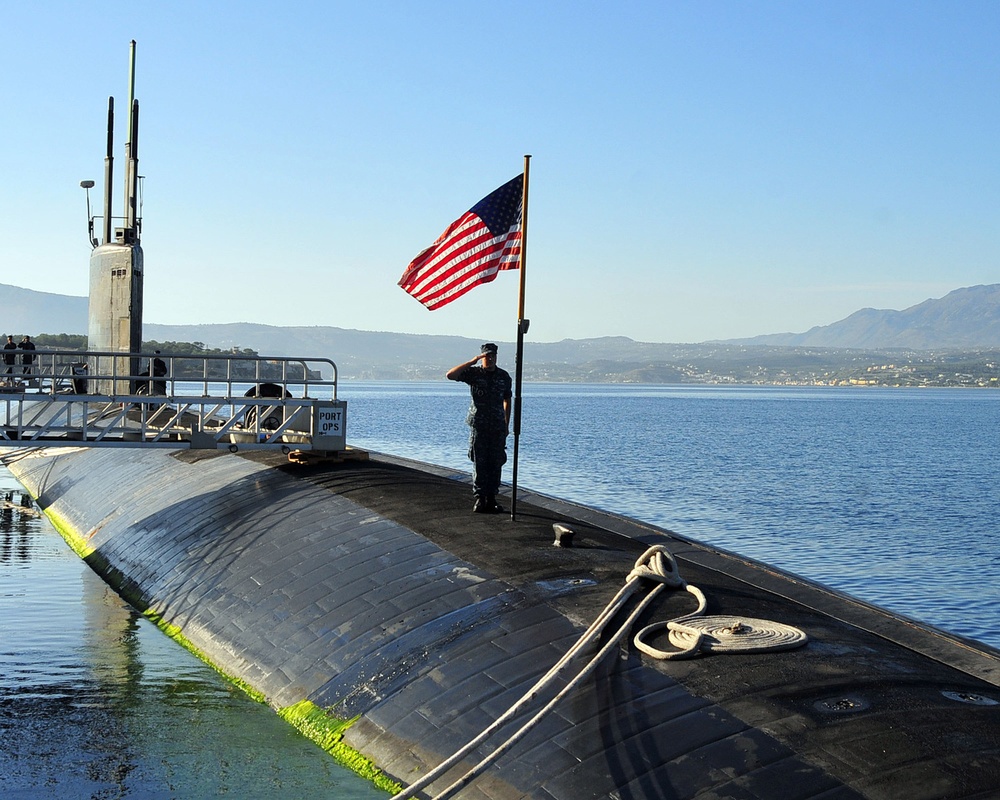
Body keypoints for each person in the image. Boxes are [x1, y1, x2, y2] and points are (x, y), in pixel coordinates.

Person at [446, 343, 513, 514]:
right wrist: (472, 361)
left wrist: (506, 424)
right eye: (487, 356)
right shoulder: (474, 374)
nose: (490, 359)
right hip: (479, 425)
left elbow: (507, 400)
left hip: (497, 426)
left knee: (496, 462)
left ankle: (492, 498)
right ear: (482, 357)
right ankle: (480, 498)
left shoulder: (504, 377)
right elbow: (451, 375)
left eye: (493, 356)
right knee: (480, 462)